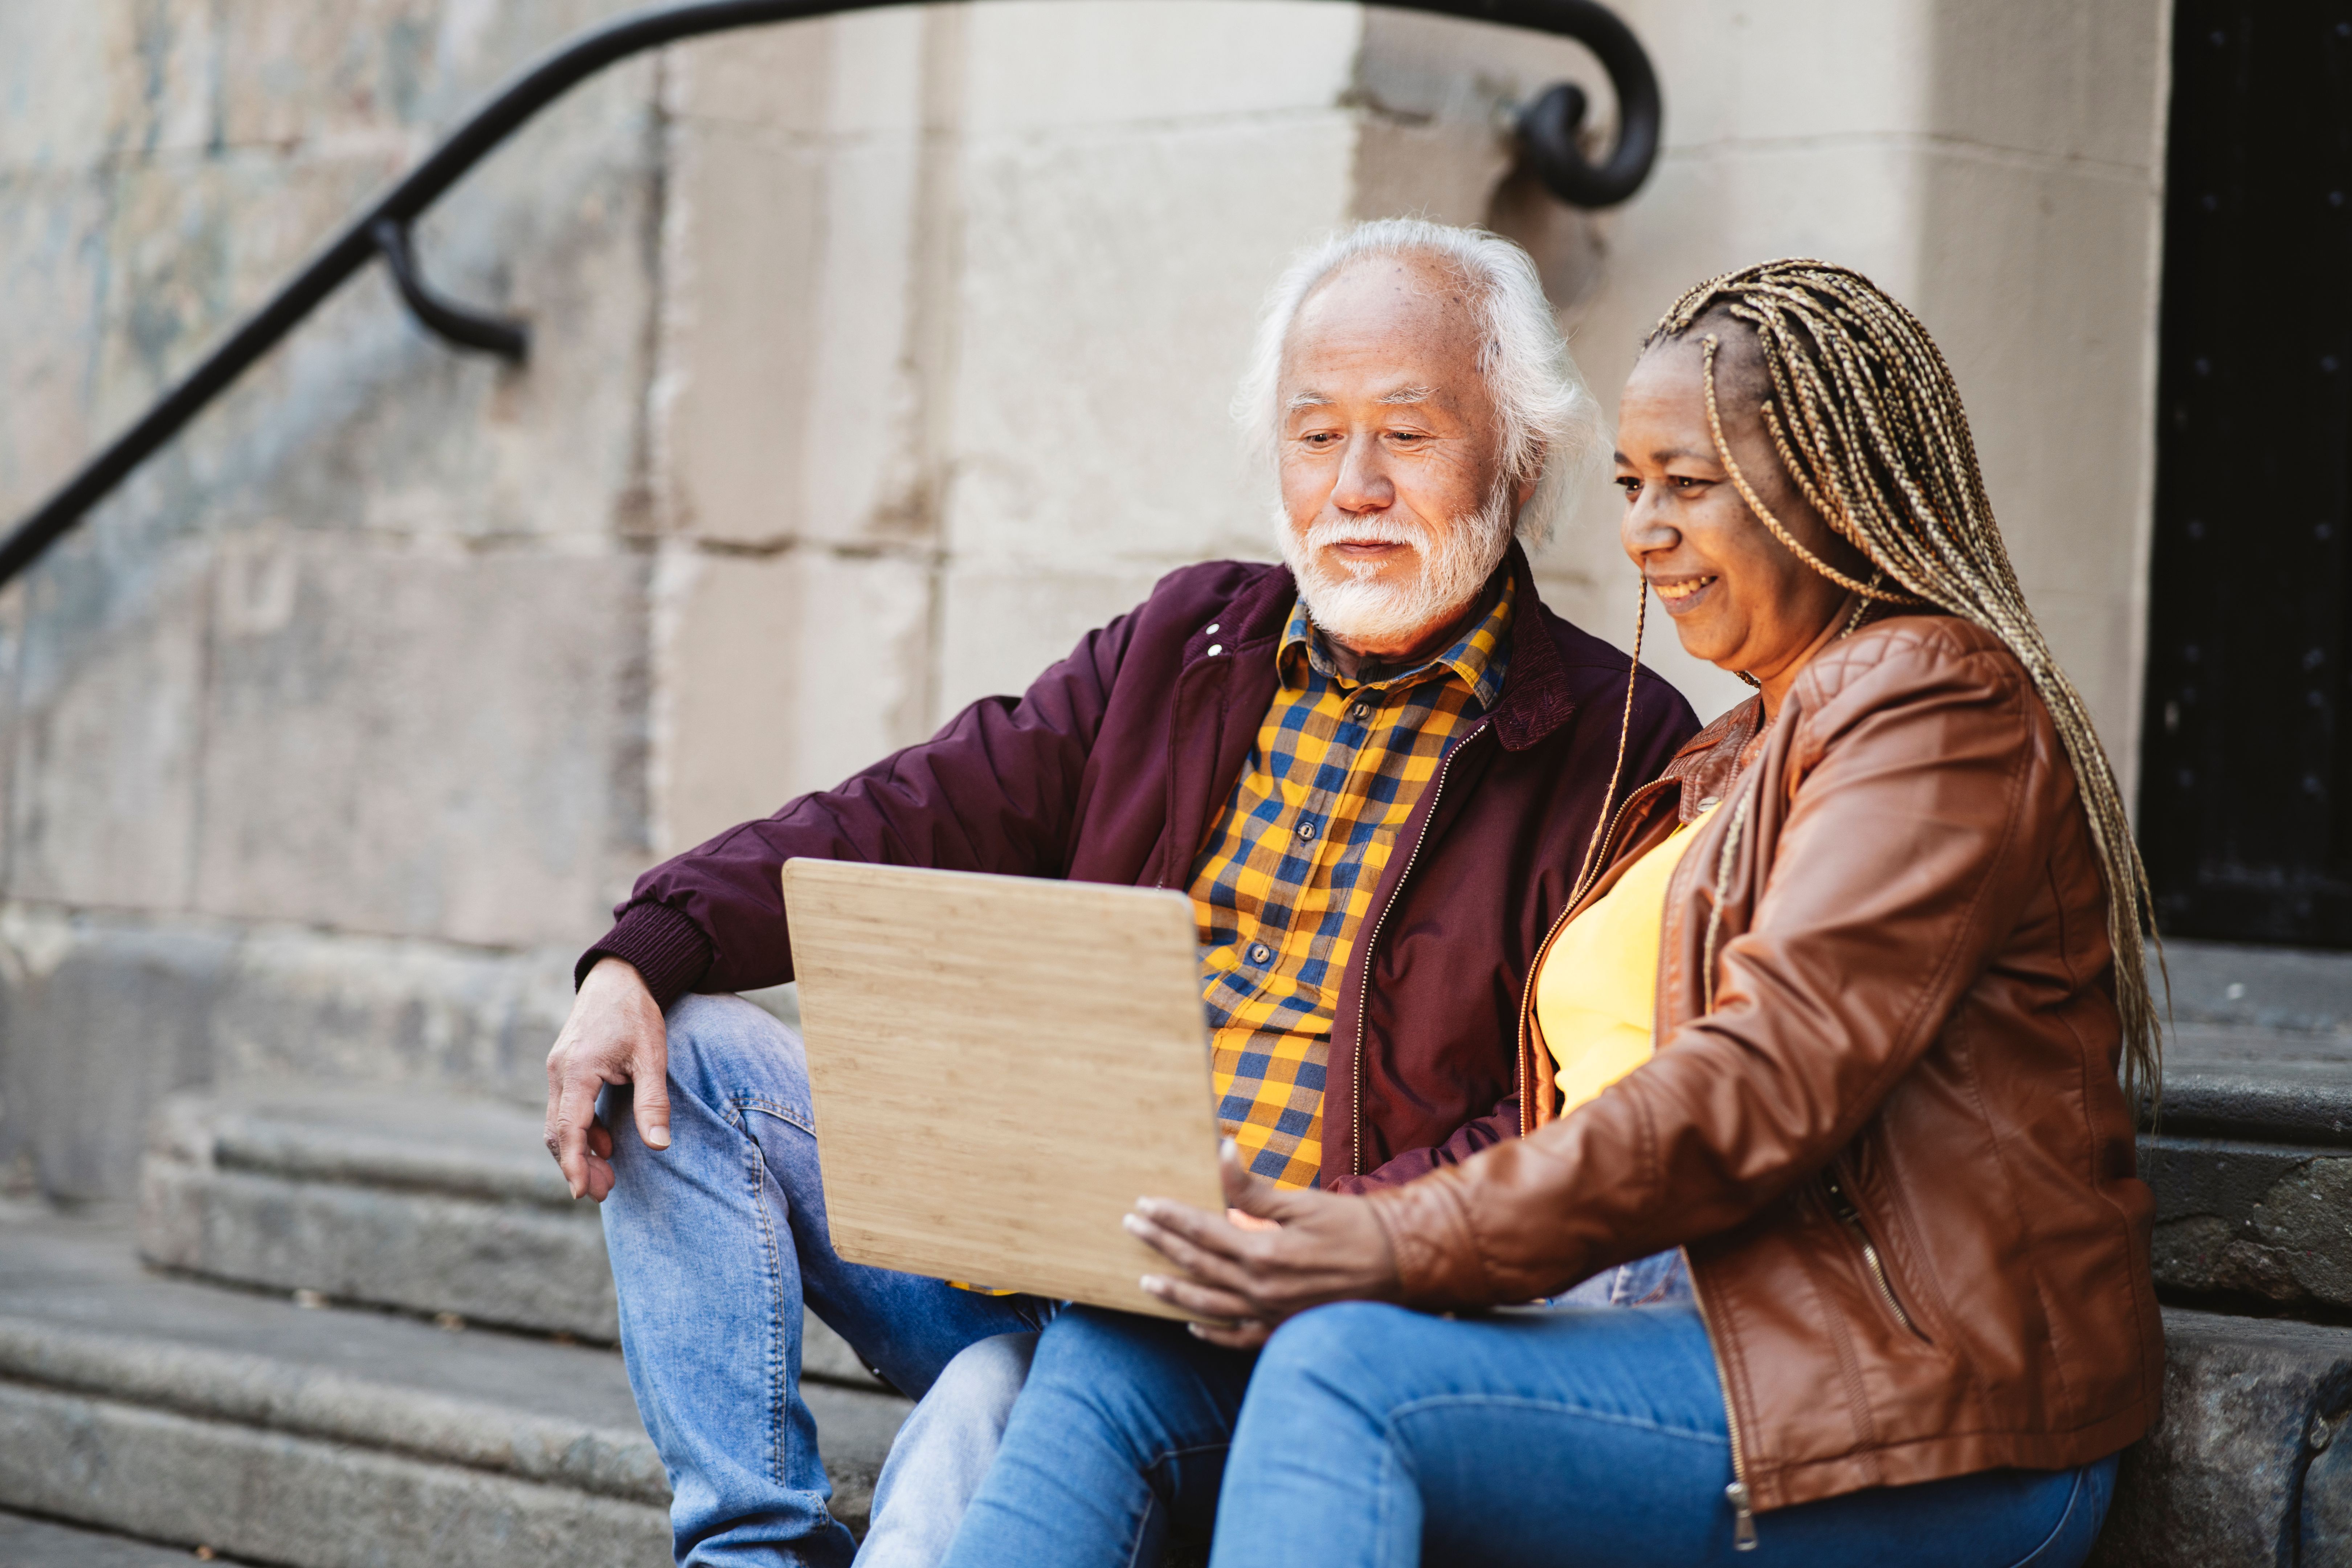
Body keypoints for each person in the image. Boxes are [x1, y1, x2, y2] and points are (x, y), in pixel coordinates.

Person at [940, 259, 2160, 1568]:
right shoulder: (1728, 754)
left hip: (1913, 1405)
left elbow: (1756, 1087)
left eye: (1691, 484)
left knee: (1347, 1371)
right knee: (1132, 1344)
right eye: (1633, 486)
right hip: (1654, 1319)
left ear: (1833, 488)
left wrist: (1389, 1236)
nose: (1643, 532)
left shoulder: (1936, 707)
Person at [539, 218, 1699, 1566]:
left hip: (1289, 1313)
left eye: (1410, 432)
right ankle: (749, 1550)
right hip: (1033, 1247)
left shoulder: (1616, 743)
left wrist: (1324, 1237)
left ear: (1521, 454)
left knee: (990, 1422)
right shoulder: (1190, 641)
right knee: (682, 1054)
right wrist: (646, 948)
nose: (1356, 483)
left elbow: (1558, 1118)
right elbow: (909, 810)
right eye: (1316, 434)